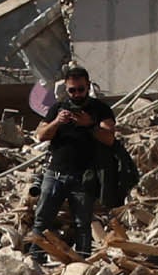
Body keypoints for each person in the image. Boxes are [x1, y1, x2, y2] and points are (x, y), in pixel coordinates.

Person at [30, 63, 116, 256]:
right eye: (72, 90)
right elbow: (41, 135)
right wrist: (57, 122)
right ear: (66, 90)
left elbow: (109, 138)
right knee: (42, 219)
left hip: (84, 177)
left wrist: (89, 125)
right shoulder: (58, 108)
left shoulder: (99, 110)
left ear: (88, 87)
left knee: (82, 224)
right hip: (55, 174)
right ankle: (34, 260)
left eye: (81, 89)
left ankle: (82, 262)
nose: (77, 94)